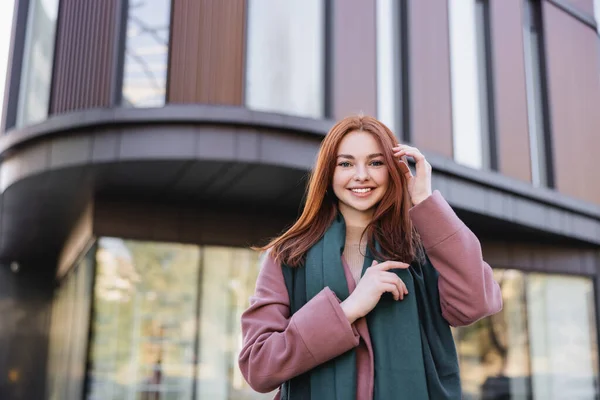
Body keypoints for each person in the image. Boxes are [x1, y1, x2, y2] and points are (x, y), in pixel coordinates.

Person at [238, 115, 503, 400]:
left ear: (392, 170)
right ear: (328, 173)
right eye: (346, 163)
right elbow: (259, 365)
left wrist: (424, 200)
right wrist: (347, 310)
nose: (361, 175)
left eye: (376, 163)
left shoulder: (423, 248)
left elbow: (474, 304)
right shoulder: (290, 255)